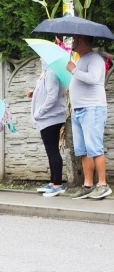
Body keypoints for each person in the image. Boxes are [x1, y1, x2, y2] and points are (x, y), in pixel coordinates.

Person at [65, 34, 111, 200]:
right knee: (83, 150)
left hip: (92, 109)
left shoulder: (95, 59)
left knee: (95, 148)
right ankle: (88, 185)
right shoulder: (81, 59)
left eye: (75, 40)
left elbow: (92, 79)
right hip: (79, 110)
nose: (72, 43)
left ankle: (103, 185)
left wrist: (74, 70)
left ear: (82, 40)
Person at [29, 60, 68, 197]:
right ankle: (53, 182)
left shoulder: (51, 73)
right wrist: (34, 93)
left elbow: (52, 96)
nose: (40, 60)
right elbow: (47, 92)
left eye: (42, 57)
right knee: (51, 150)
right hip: (49, 117)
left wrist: (39, 113)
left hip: (50, 118)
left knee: (52, 150)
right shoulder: (48, 73)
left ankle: (57, 184)